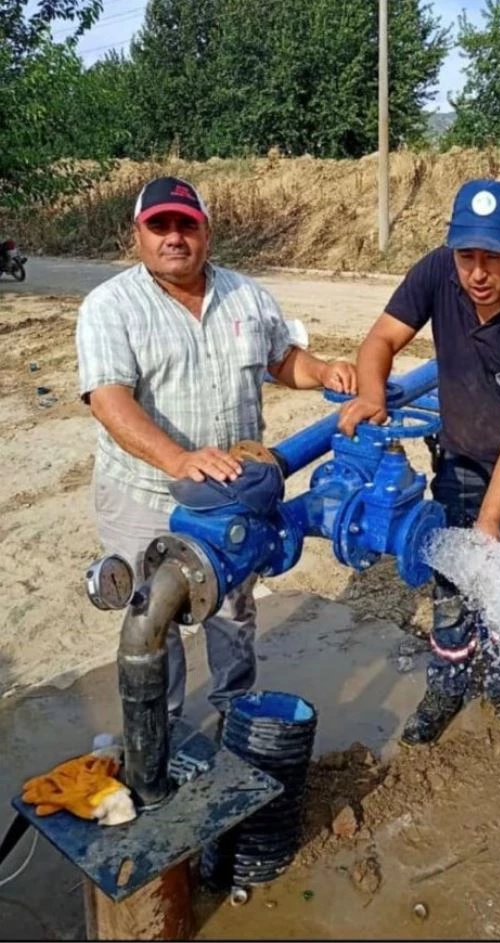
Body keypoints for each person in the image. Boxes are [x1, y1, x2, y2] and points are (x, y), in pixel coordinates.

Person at [76, 176, 357, 722]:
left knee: (231, 607)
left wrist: (323, 369)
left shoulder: (246, 296)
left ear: (206, 231)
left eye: (187, 225)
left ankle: (234, 709)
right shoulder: (110, 306)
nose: (174, 237)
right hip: (146, 496)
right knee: (152, 618)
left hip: (231, 497)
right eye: (160, 226)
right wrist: (178, 459)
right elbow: (109, 400)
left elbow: (281, 360)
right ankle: (162, 729)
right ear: (138, 234)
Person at [339, 179, 500, 746]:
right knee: (450, 581)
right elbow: (381, 338)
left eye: (492, 258)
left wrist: (491, 519)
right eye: (466, 256)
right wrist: (374, 391)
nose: (476, 273)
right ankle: (448, 682)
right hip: (458, 458)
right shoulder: (437, 272)